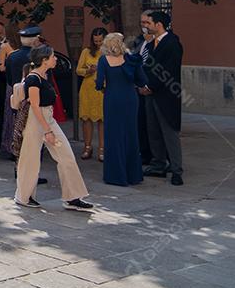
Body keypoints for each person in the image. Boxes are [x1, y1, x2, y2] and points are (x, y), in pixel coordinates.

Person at [14, 44, 94, 211]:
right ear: (44, 60)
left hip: (47, 119)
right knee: (30, 160)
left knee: (66, 156)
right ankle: (23, 196)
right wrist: (48, 131)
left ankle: (73, 197)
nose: (55, 59)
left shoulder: (44, 75)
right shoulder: (33, 79)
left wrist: (49, 127)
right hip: (36, 121)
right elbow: (35, 107)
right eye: (52, 57)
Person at [139, 10, 184, 185]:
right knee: (153, 130)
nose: (145, 26)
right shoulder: (151, 45)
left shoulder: (172, 44)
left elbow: (169, 72)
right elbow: (147, 68)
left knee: (169, 132)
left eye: (148, 23)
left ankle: (176, 170)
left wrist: (150, 87)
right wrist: (143, 85)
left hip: (166, 95)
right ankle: (158, 164)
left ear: (159, 24)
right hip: (151, 94)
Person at [96, 33, 147, 186]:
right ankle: (133, 175)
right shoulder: (130, 59)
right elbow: (142, 80)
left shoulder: (103, 60)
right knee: (131, 134)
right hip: (130, 99)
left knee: (113, 136)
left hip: (112, 99)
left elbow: (99, 84)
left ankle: (116, 176)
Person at [1, 25, 42, 158]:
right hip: (35, 96)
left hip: (16, 94)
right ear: (35, 39)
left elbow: (8, 78)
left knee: (16, 125)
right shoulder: (39, 57)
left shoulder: (12, 57)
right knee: (34, 128)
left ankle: (16, 155)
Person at [76, 27, 108, 161]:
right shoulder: (86, 51)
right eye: (95, 41)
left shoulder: (109, 52)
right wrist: (87, 71)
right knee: (86, 118)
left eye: (100, 41)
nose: (98, 43)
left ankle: (102, 148)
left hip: (103, 89)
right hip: (87, 88)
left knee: (102, 119)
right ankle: (87, 147)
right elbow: (78, 69)